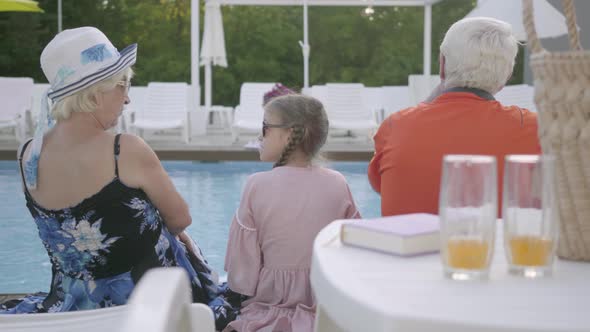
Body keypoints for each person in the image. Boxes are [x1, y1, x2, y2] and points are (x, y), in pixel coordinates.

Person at [0, 27, 236, 329]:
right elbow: (180, 219)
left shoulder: (25, 155)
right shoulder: (123, 150)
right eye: (122, 86)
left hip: (72, 310)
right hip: (150, 306)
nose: (127, 99)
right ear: (96, 92)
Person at [368, 17, 541, 217]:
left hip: (409, 247)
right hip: (493, 247)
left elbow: (382, 186)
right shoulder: (536, 130)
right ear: (507, 74)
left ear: (442, 64)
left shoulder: (394, 127)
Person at [223, 94, 361, 332]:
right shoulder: (338, 183)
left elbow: (241, 274)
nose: (259, 135)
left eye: (265, 127)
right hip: (325, 304)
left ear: (288, 134)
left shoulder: (256, 185)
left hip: (269, 305)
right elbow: (354, 250)